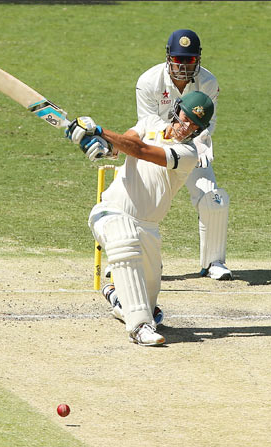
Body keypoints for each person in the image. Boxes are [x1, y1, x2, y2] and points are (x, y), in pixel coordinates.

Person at [66, 91, 215, 346]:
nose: (186, 126)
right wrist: (96, 142)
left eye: (194, 125)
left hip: (147, 228)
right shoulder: (149, 124)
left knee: (149, 306)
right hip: (111, 211)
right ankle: (139, 328)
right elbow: (123, 144)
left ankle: (118, 298)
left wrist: (98, 129)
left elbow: (141, 150)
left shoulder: (189, 153)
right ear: (177, 110)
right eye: (185, 118)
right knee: (125, 240)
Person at [133, 29, 233, 280]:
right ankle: (135, 261)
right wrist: (170, 132)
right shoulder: (148, 81)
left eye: (189, 61)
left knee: (213, 198)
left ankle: (214, 262)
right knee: (141, 205)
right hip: (157, 147)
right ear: (169, 58)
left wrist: (200, 144)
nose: (183, 66)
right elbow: (147, 120)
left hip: (191, 147)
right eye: (178, 60)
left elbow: (209, 121)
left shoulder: (208, 82)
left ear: (197, 59)